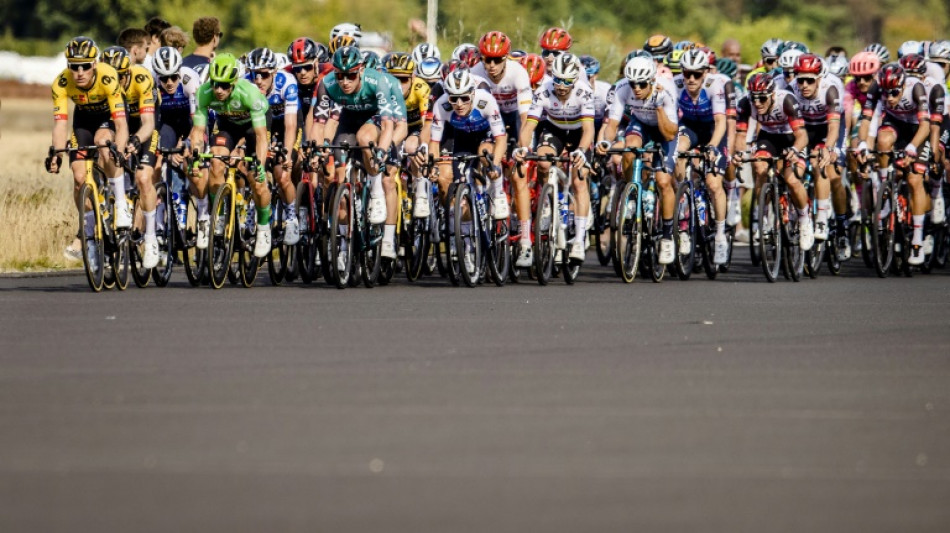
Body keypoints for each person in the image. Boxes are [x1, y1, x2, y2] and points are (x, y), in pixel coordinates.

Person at [47, 37, 130, 263]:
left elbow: (121, 124)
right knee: (78, 177)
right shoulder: (62, 83)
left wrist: (120, 151)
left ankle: (121, 204)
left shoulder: (107, 75)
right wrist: (57, 154)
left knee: (104, 143)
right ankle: (89, 228)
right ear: (68, 66)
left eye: (85, 65)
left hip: (107, 119)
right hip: (82, 122)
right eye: (74, 66)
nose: (80, 71)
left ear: (94, 64)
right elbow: (60, 123)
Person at [188, 53, 273, 258]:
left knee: (257, 179)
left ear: (234, 83)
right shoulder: (204, 93)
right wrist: (197, 156)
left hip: (254, 127)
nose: (219, 90)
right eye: (216, 84)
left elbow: (261, 136)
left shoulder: (249, 94)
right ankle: (216, 216)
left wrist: (260, 164)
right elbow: (198, 132)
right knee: (215, 162)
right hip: (228, 126)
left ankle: (263, 228)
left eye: (225, 86)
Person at [597, 56, 681, 264]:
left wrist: (659, 107)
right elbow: (612, 124)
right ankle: (632, 191)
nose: (636, 88)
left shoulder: (667, 90)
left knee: (663, 181)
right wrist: (606, 142)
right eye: (633, 83)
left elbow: (670, 134)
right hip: (640, 123)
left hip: (664, 128)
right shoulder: (622, 88)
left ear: (651, 81)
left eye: (642, 84)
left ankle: (668, 237)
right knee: (629, 148)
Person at [101, 46, 162, 269]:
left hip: (145, 125)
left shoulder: (141, 79)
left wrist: (135, 141)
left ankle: (151, 238)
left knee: (144, 178)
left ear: (128, 73)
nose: (116, 81)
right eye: (112, 77)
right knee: (104, 153)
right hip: (121, 122)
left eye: (120, 77)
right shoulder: (104, 83)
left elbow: (148, 124)